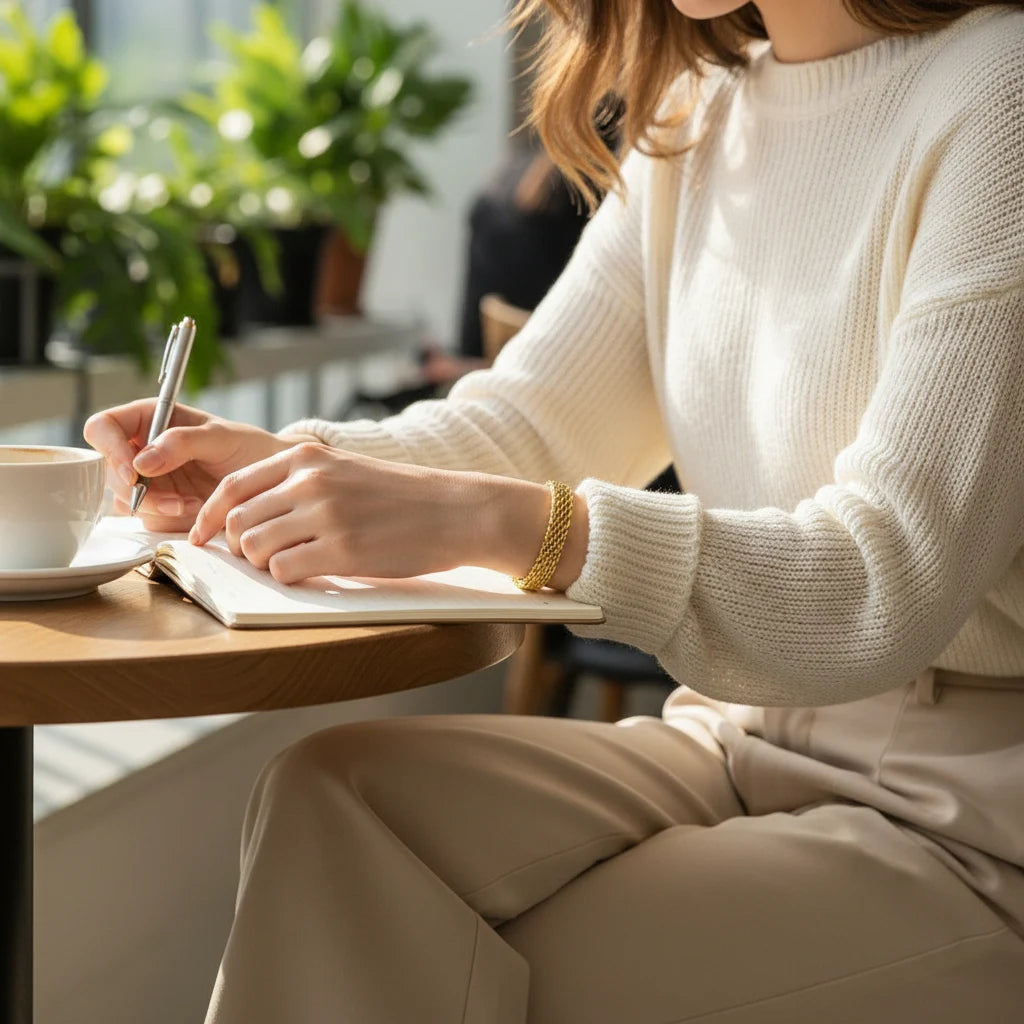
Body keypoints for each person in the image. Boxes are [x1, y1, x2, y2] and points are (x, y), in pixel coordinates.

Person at [85, 0, 1024, 1020]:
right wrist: (276, 465)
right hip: (732, 736)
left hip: (970, 814)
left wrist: (519, 527)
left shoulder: (998, 92)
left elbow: (880, 583)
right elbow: (529, 422)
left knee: (433, 963)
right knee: (336, 801)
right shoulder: (700, 109)